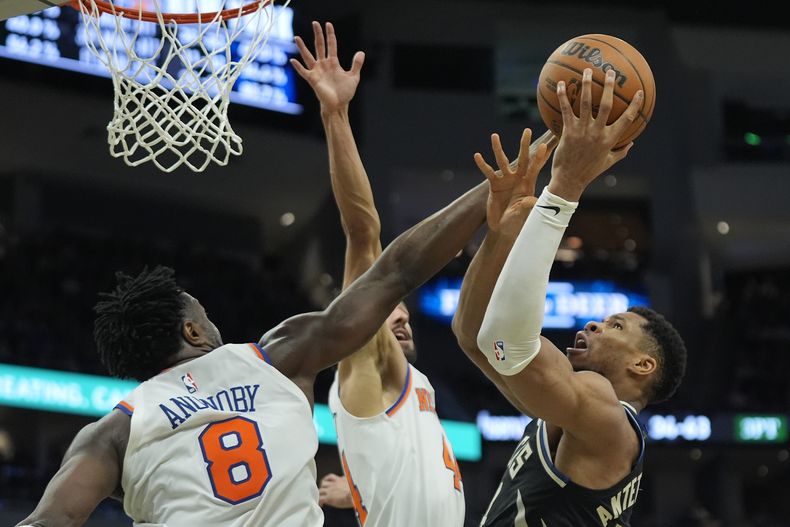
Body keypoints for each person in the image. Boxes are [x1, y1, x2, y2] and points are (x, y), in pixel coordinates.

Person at [15, 126, 491, 527]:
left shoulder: (112, 432)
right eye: (204, 314)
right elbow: (396, 272)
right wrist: (495, 188)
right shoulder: (276, 357)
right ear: (192, 333)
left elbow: (47, 522)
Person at [291, 21, 526, 526]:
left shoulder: (406, 386)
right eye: (386, 313)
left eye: (403, 314)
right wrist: (336, 115)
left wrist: (354, 495)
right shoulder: (365, 367)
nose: (400, 319)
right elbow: (362, 229)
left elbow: (396, 477)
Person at [453, 68, 687, 526]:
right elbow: (475, 336)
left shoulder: (606, 417)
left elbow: (504, 340)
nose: (596, 324)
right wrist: (500, 237)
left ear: (643, 366)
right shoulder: (571, 410)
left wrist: (564, 189)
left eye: (617, 326)